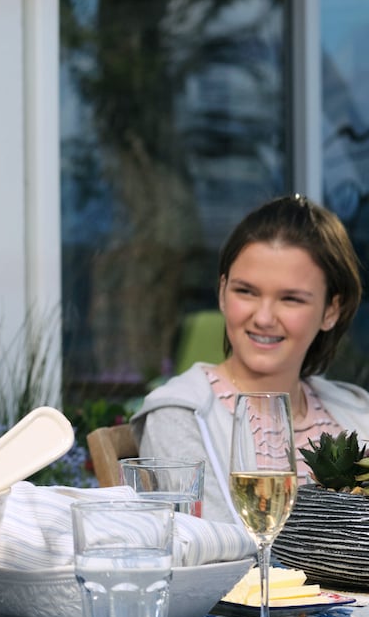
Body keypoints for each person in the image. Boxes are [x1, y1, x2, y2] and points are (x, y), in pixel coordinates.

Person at [132, 194, 369, 524]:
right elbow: (205, 548)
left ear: (332, 310)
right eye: (246, 291)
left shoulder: (357, 411)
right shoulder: (180, 416)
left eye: (290, 298)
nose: (264, 317)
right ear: (222, 292)